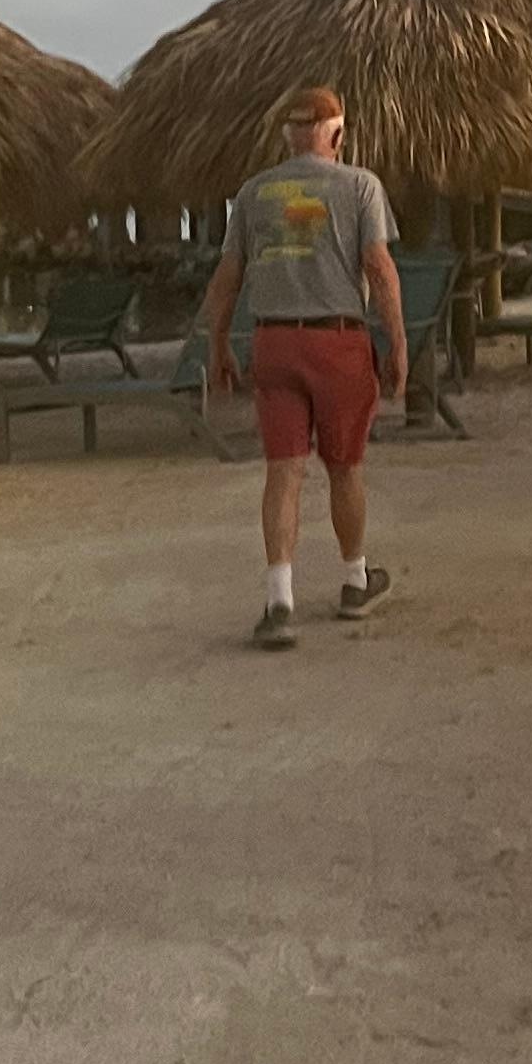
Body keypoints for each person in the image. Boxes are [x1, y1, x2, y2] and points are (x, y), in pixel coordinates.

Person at [202, 85, 407, 649]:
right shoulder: (360, 186)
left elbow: (227, 279)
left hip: (274, 342)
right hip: (337, 341)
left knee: (284, 471)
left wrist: (217, 343)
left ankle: (279, 600)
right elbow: (379, 269)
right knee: (345, 467)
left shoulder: (253, 192)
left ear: (287, 136)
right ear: (336, 135)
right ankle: (354, 581)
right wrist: (398, 343)